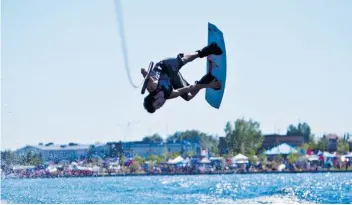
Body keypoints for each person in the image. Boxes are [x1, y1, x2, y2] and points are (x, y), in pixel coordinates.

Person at [141, 42, 223, 113]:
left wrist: (145, 75)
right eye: (159, 107)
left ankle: (206, 51)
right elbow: (189, 88)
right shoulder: (170, 94)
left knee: (181, 61)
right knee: (188, 96)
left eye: (158, 104)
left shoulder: (152, 87)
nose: (161, 105)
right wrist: (208, 85)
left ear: (154, 97)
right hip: (172, 78)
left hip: (166, 66)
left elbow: (143, 70)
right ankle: (207, 79)